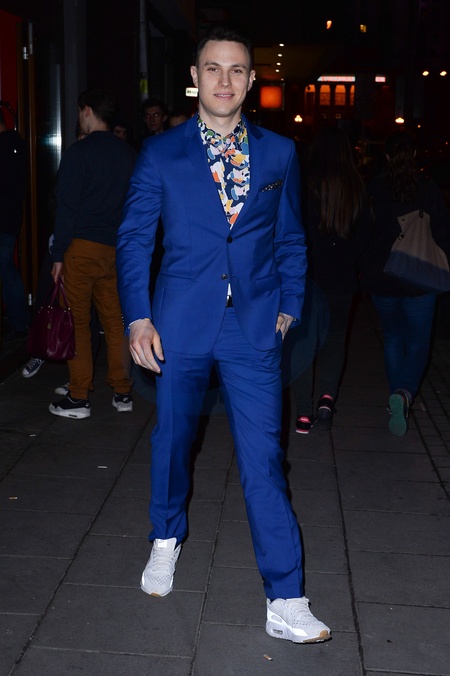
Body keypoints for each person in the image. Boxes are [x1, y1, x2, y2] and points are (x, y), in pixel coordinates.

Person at [116, 23, 331, 644]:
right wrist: (137, 316)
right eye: (213, 68)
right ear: (194, 78)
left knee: (264, 459)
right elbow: (134, 239)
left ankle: (286, 596)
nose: (225, 80)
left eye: (237, 69)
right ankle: (166, 536)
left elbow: (292, 239)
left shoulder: (279, 153)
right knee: (173, 441)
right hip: (179, 323)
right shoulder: (161, 153)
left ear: (252, 80)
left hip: (253, 327)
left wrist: (289, 303)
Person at [49, 89, 136, 419]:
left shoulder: (80, 152)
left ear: (86, 110)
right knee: (116, 321)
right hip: (117, 249)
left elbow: (67, 207)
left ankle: (78, 396)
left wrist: (58, 254)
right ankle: (122, 391)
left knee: (77, 321)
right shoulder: (129, 154)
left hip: (82, 247)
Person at [360, 130, 450, 436]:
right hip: (419, 278)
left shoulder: (373, 188)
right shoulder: (426, 187)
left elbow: (364, 232)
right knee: (418, 342)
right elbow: (443, 231)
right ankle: (404, 393)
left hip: (382, 277)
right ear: (413, 155)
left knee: (393, 338)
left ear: (386, 156)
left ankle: (396, 396)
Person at [290, 127, 373, 434]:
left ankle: (303, 413)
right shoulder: (356, 187)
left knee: (302, 344)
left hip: (308, 276)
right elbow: (365, 234)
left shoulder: (304, 185)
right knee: (335, 340)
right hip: (342, 277)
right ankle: (327, 398)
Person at [0, 106, 29, 341]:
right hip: (10, 217)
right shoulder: (17, 145)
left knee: (7, 270)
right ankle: (20, 321)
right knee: (8, 269)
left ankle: (19, 322)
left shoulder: (4, 147)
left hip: (3, 218)